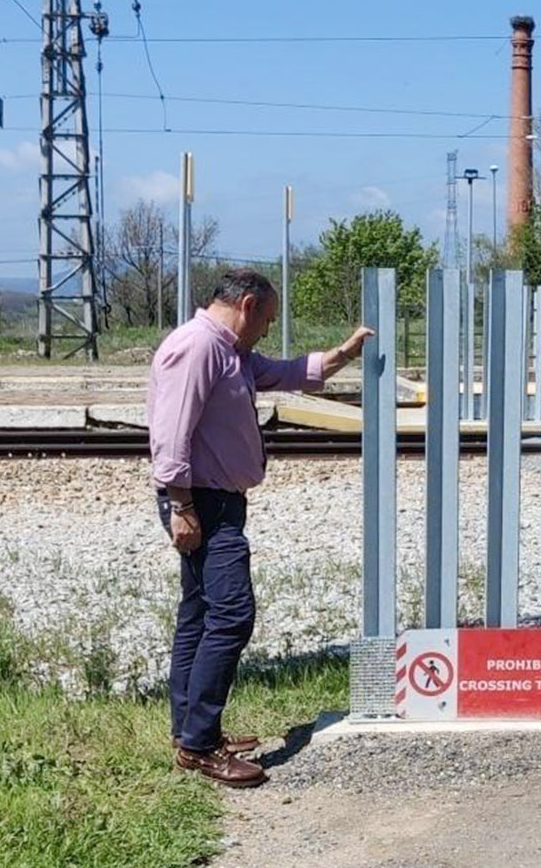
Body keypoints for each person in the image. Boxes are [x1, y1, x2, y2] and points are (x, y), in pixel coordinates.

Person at [147, 267, 372, 788]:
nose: (268, 330)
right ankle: (200, 745)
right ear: (247, 305)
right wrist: (180, 504)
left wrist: (342, 355)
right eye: (267, 319)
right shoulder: (198, 348)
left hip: (216, 500)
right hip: (200, 501)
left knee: (200, 615)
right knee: (231, 616)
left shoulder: (232, 352)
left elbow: (287, 373)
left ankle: (190, 731)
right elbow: (170, 433)